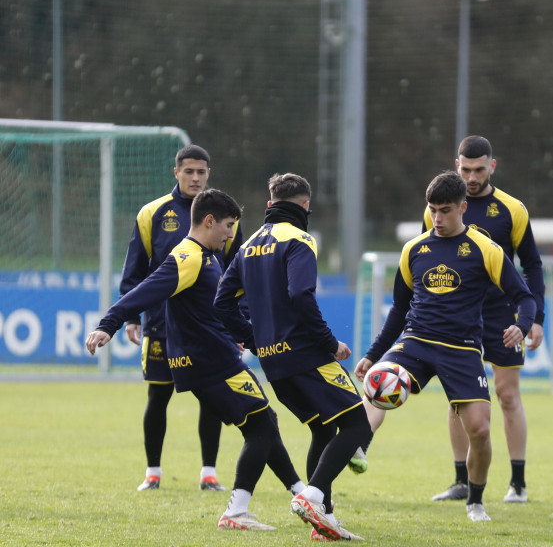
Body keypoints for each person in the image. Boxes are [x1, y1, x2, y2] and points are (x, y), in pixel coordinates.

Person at [86, 189, 308, 531]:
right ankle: (237, 511)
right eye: (229, 226)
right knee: (262, 427)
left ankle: (299, 491)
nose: (232, 234)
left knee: (263, 422)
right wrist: (109, 324)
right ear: (209, 221)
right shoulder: (189, 257)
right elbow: (145, 291)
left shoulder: (207, 256)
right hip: (212, 362)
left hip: (209, 359)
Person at [353, 171, 537, 523]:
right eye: (432, 210)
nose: (437, 218)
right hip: (416, 341)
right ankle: (359, 446)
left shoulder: (485, 249)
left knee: (480, 430)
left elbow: (523, 297)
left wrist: (522, 324)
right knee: (377, 380)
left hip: (462, 349)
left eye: (445, 210)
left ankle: (475, 500)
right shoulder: (415, 249)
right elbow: (398, 310)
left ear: (462, 208)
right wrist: (372, 355)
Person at [214, 173, 372, 541]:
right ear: (305, 206)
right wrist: (331, 343)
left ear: (270, 205)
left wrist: (256, 340)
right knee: (357, 426)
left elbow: (221, 303)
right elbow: (302, 296)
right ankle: (312, 497)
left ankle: (324, 519)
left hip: (273, 363)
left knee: (323, 428)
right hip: (306, 355)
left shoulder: (247, 244)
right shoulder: (300, 239)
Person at [119, 144, 242, 492]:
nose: (195, 178)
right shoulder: (152, 213)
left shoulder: (224, 217)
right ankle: (153, 473)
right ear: (176, 172)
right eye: (189, 171)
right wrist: (130, 315)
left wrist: (237, 321)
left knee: (214, 396)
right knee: (158, 397)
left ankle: (208, 473)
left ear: (208, 174)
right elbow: (136, 267)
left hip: (210, 326)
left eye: (202, 172)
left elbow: (236, 273)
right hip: (160, 324)